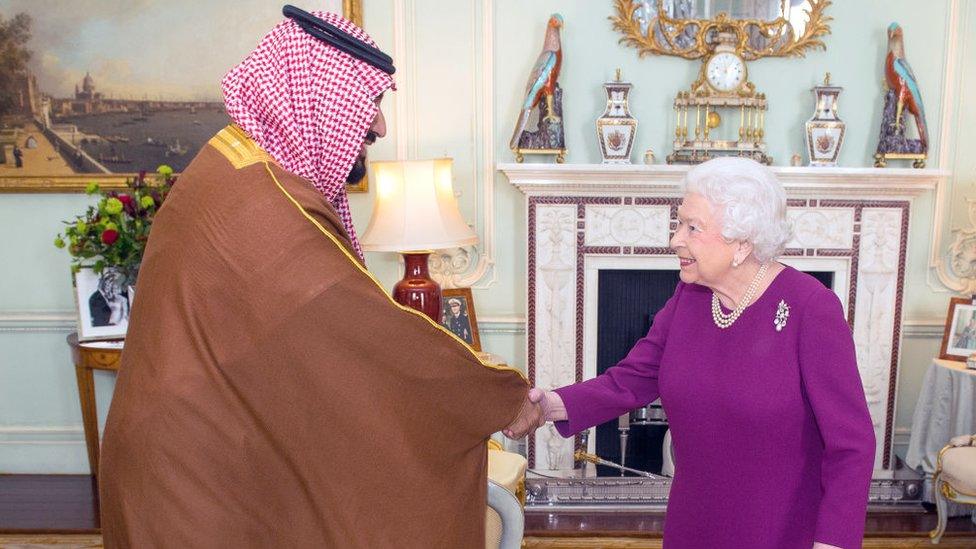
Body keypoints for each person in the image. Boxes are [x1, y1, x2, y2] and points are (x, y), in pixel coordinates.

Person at [98, 7, 542, 548]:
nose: (379, 125)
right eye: (372, 103)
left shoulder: (241, 170)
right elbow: (358, 330)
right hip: (195, 481)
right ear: (313, 99)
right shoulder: (260, 202)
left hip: (204, 456)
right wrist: (493, 395)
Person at [508, 157, 876, 549]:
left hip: (778, 528)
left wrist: (832, 542)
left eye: (692, 227)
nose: (675, 239)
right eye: (679, 223)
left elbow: (852, 443)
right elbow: (633, 378)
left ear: (743, 242)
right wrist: (550, 405)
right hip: (694, 522)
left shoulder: (811, 308)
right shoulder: (691, 296)